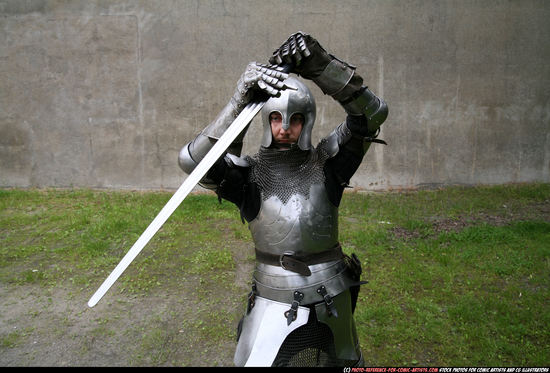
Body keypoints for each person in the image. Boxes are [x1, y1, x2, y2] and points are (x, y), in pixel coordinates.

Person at [178, 32, 388, 367]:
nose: (285, 127)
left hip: (332, 292)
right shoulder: (248, 178)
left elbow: (371, 116)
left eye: (295, 119)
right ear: (265, 120)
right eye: (276, 118)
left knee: (342, 360)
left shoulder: (328, 165)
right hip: (272, 298)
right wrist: (238, 103)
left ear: (307, 121)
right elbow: (193, 162)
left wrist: (321, 66)